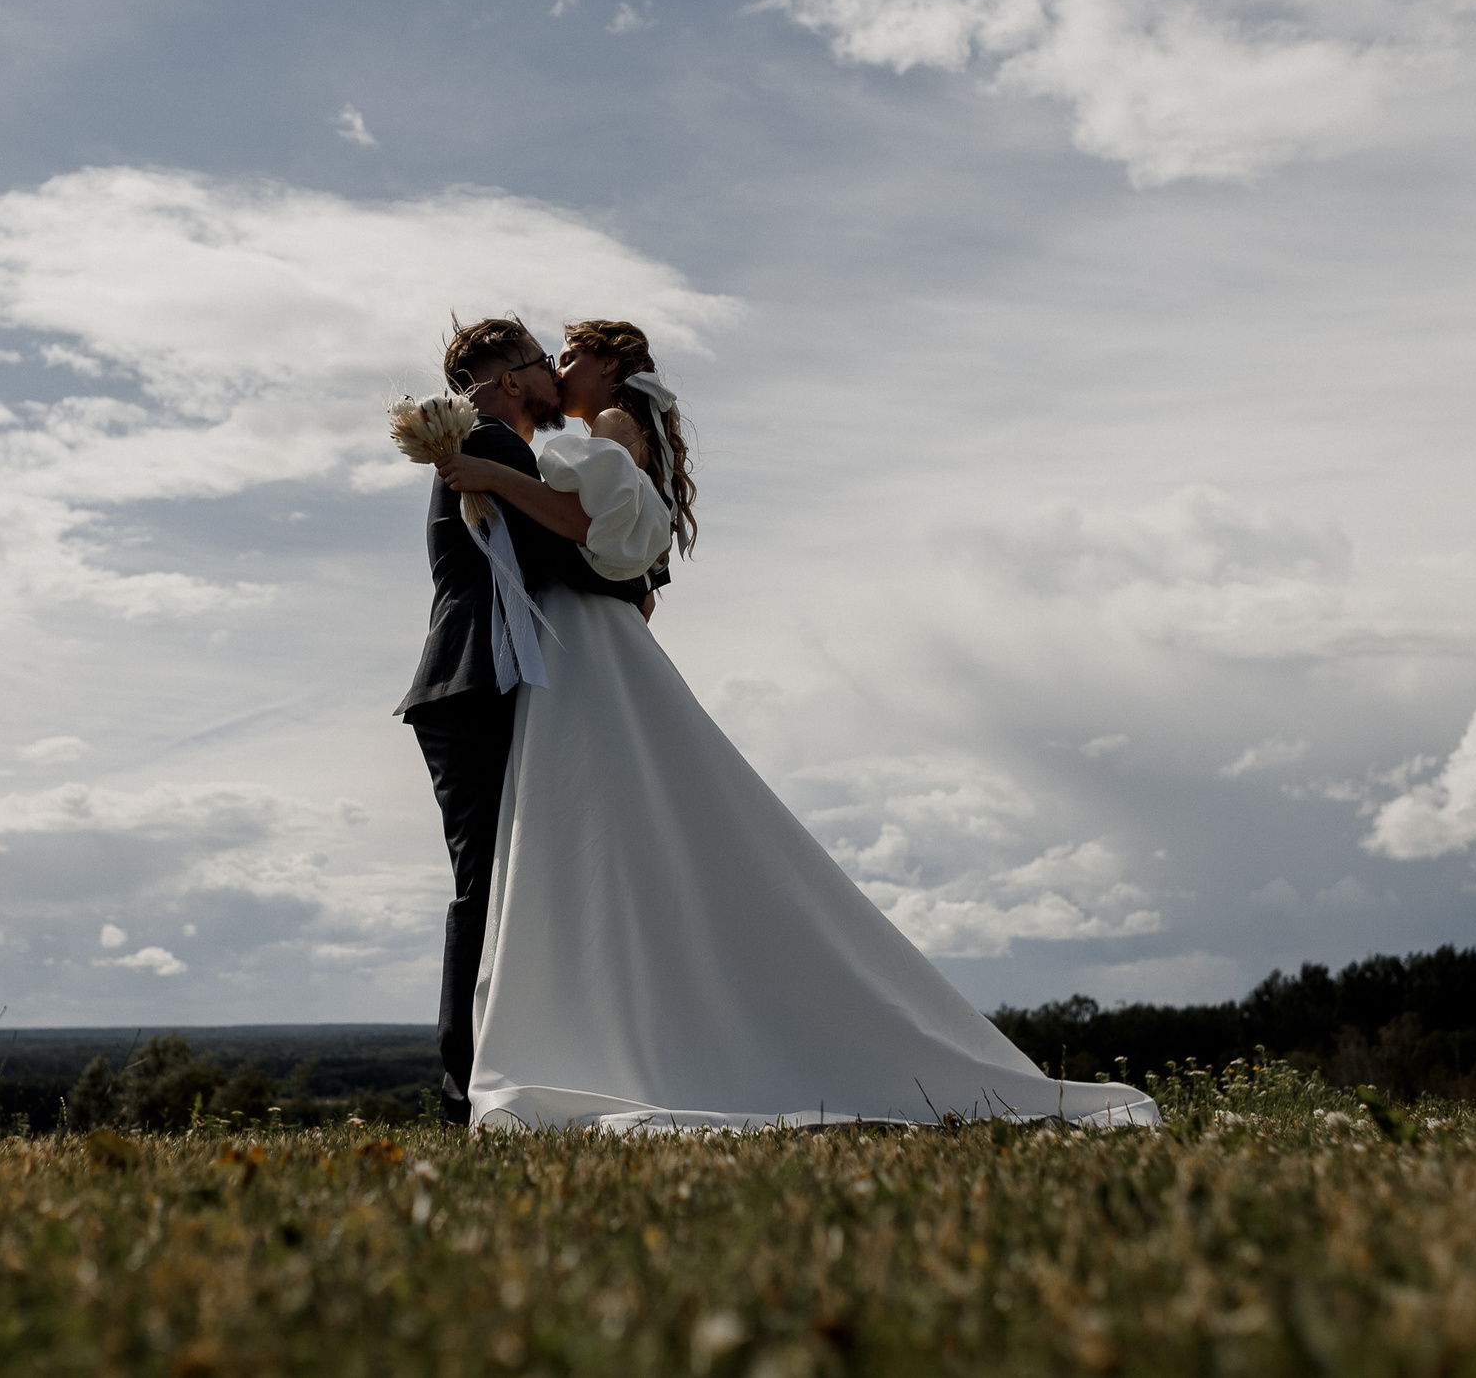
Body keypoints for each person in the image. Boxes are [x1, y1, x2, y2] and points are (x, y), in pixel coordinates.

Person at [431, 319, 1160, 1131]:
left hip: (576, 659)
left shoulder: (587, 433)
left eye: (562, 357)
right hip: (570, 657)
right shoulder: (543, 434)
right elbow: (624, 565)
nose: (554, 370)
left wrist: (490, 479)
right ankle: (575, 1039)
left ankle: (564, 1047)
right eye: (542, 359)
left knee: (575, 854)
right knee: (581, 852)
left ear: (606, 363)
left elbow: (580, 530)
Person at [397, 317, 654, 1126]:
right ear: (512, 381)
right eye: (544, 364)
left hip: (468, 681)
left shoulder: (484, 451)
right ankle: (466, 1088)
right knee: (486, 885)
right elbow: (564, 555)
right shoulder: (495, 449)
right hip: (479, 680)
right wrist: (639, 582)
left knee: (498, 881)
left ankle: (506, 1067)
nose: (553, 378)